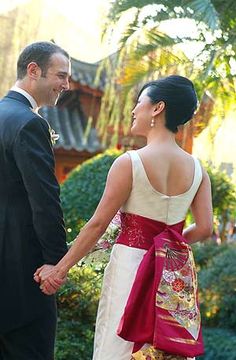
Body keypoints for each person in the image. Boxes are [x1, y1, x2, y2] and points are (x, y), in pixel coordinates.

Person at [35, 75, 213, 360]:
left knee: (118, 343)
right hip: (171, 271)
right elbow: (204, 228)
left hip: (131, 266)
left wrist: (59, 270)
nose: (133, 110)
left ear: (157, 108)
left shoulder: (129, 162)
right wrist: (167, 246)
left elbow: (97, 225)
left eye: (139, 102)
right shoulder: (197, 169)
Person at [0, 41, 70, 360]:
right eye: (61, 75)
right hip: (24, 270)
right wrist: (57, 262)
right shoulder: (30, 123)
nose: (66, 85)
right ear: (33, 71)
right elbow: (45, 201)